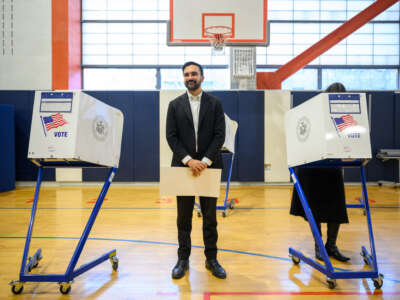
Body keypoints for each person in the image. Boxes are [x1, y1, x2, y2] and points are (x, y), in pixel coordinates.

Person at [166, 61, 226, 279]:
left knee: (210, 217)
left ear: (202, 76)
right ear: (183, 78)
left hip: (210, 168)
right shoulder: (174, 105)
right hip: (183, 168)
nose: (190, 77)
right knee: (183, 218)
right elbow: (171, 136)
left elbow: (220, 135)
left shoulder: (215, 104)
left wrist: (206, 161)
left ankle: (212, 259)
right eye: (186, 74)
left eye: (194, 73)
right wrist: (189, 160)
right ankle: (183, 259)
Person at [290, 82, 350, 262]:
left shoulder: (345, 116)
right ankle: (319, 247)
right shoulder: (314, 113)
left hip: (332, 168)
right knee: (314, 208)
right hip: (312, 168)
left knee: (337, 207)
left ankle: (331, 246)